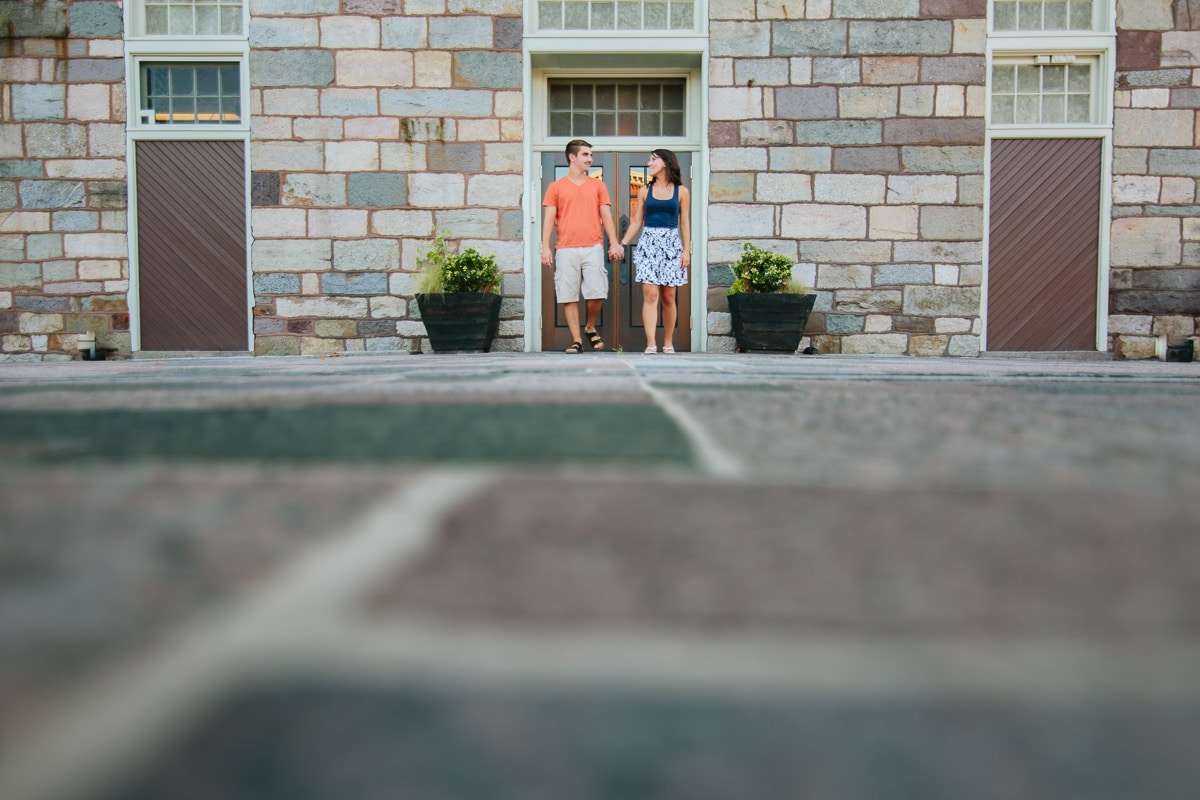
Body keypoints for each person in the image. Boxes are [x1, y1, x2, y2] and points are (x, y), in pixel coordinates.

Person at [541, 139, 625, 353]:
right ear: (572, 157)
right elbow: (549, 219)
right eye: (586, 155)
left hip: (593, 246)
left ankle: (589, 326)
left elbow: (606, 216)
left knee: (596, 292)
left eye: (590, 155)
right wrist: (545, 247)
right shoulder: (555, 187)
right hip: (565, 248)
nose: (590, 159)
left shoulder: (598, 185)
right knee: (568, 295)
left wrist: (614, 243)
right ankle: (577, 340)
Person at [619, 148, 691, 353]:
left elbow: (684, 223)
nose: (649, 164)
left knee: (669, 296)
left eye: (653, 160)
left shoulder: (682, 191)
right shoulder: (644, 191)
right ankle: (651, 343)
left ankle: (668, 342)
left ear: (666, 163)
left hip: (671, 243)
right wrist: (622, 244)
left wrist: (686, 251)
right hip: (649, 243)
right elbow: (636, 222)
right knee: (650, 295)